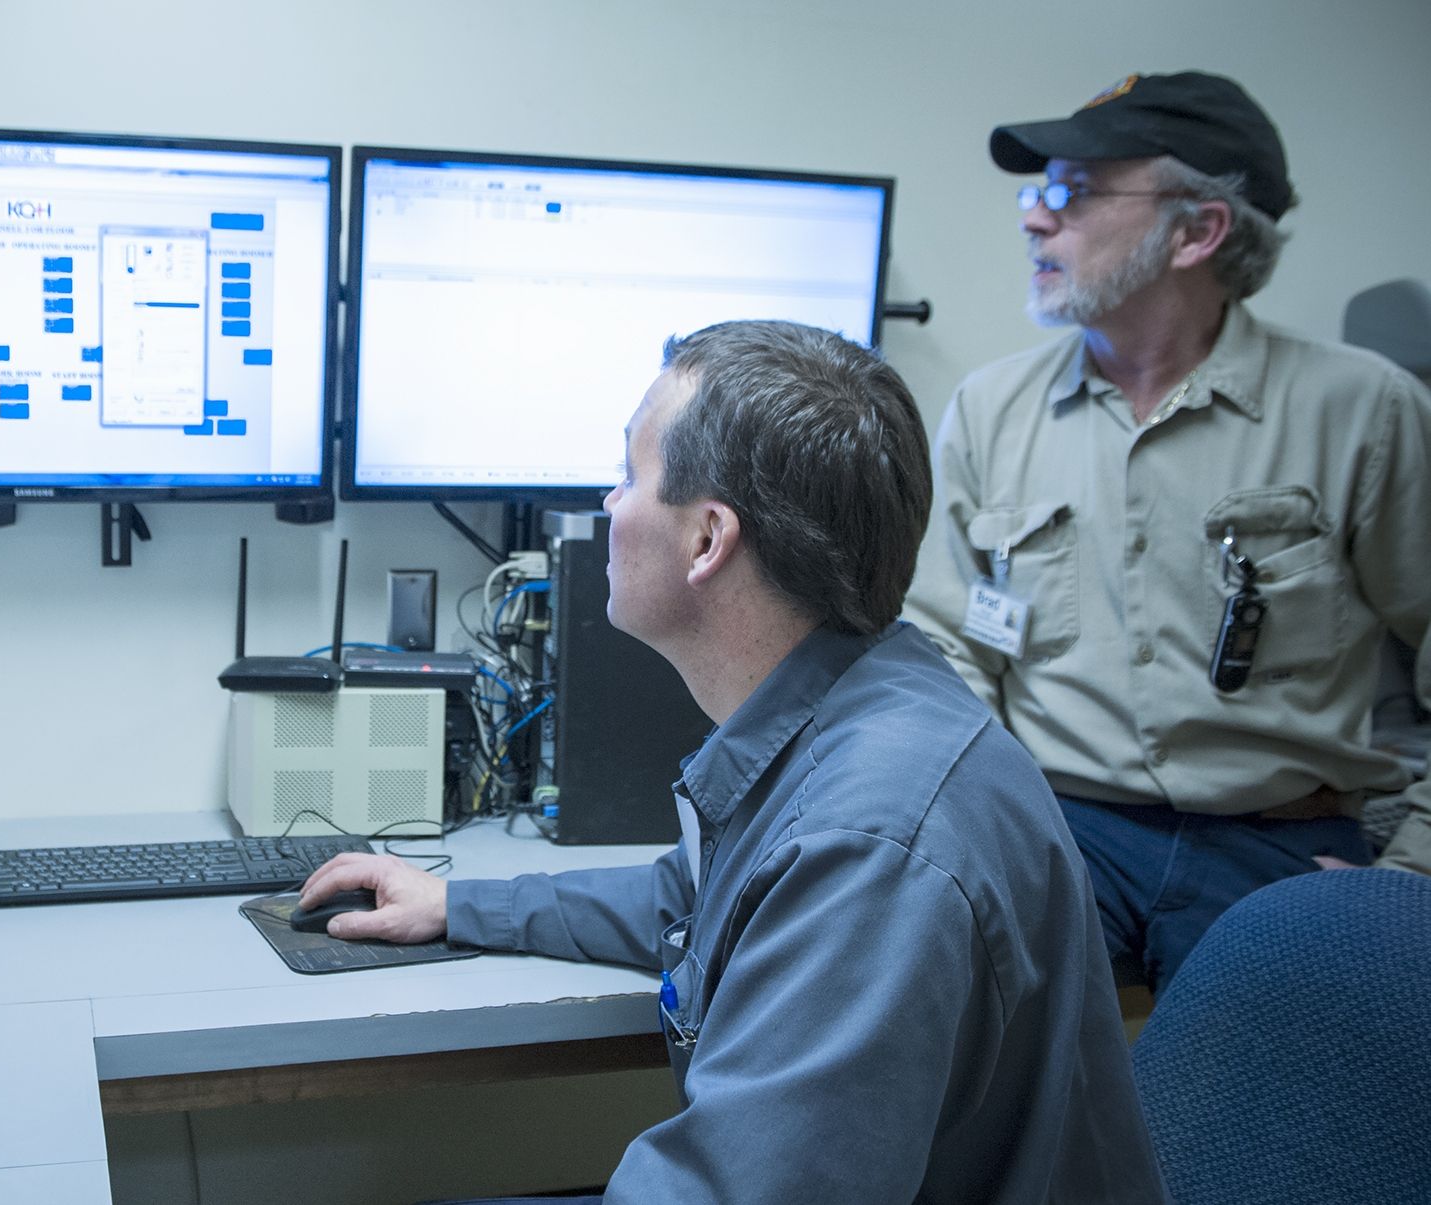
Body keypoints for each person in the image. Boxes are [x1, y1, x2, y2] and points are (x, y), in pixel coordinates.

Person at [302, 320, 1163, 1202]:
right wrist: (458, 902)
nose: (608, 503)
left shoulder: (869, 846)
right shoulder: (857, 705)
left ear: (708, 539)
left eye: (630, 475)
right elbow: (694, 902)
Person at [903, 71, 1431, 997]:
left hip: (1278, 845)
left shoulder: (1364, 411)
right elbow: (948, 643)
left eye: (1070, 192)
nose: (1033, 219)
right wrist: (980, 825)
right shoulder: (991, 409)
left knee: (1266, 1127)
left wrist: (1409, 876)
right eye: (1037, 192)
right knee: (943, 1046)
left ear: (1197, 230)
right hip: (1062, 829)